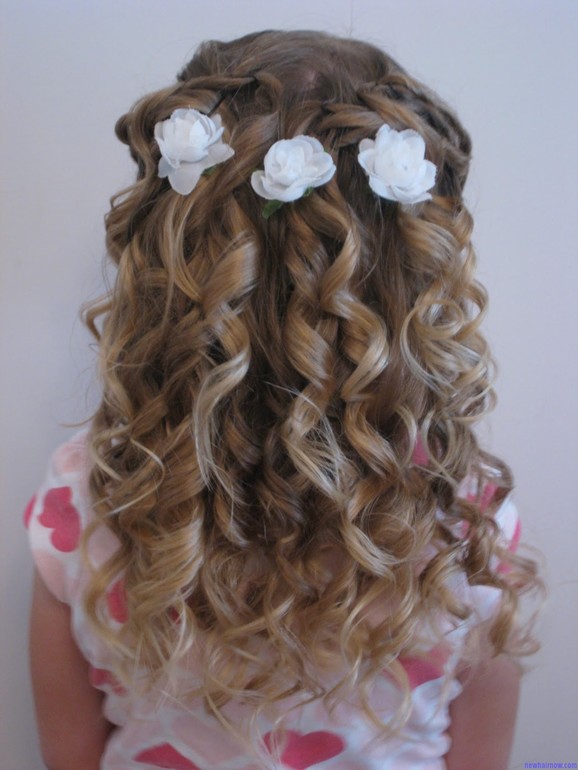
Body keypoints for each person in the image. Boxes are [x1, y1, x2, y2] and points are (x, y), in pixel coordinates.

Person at [26, 30, 539, 770]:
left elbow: (68, 755)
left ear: (164, 263)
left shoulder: (86, 499)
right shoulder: (465, 524)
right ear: (414, 281)